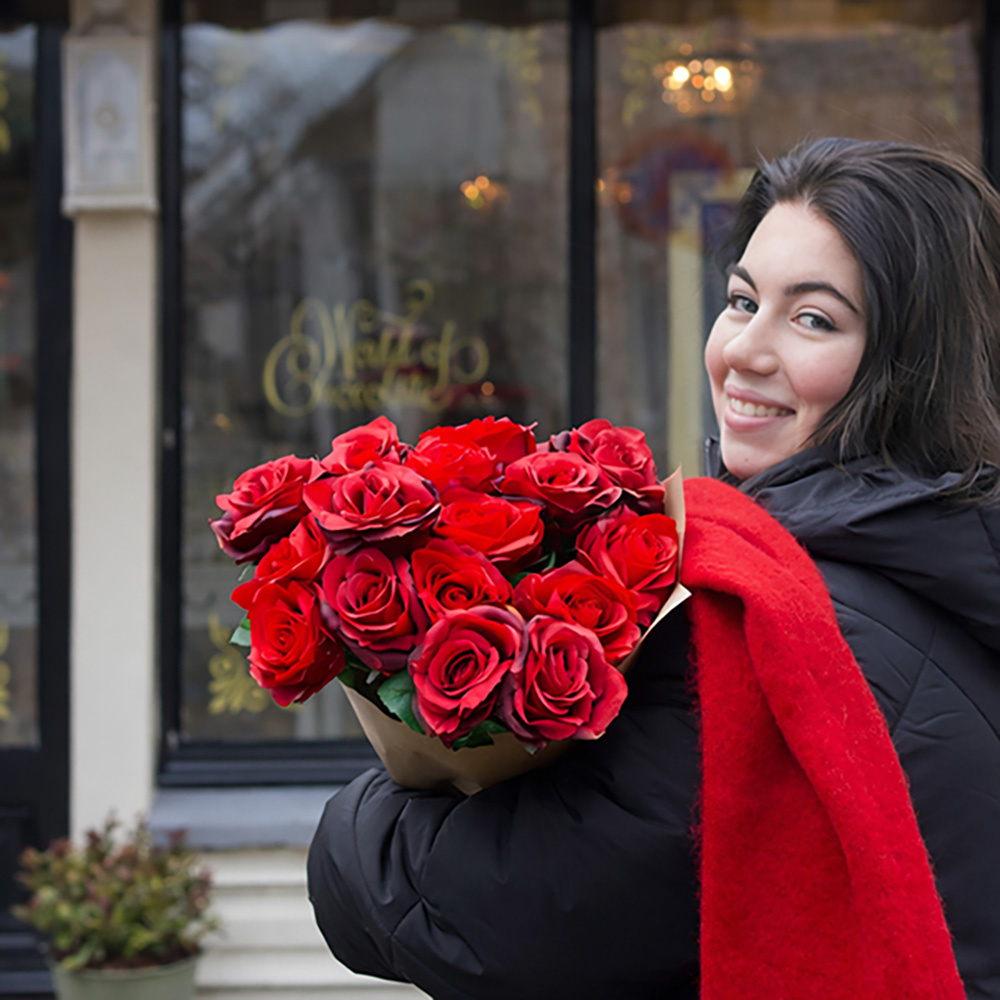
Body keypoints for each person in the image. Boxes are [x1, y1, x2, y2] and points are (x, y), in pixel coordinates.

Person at [306, 138, 1000, 998]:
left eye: (813, 318)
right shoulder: (953, 557)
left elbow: (519, 915)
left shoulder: (776, 619)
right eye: (742, 300)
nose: (745, 350)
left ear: (909, 367)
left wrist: (351, 828)